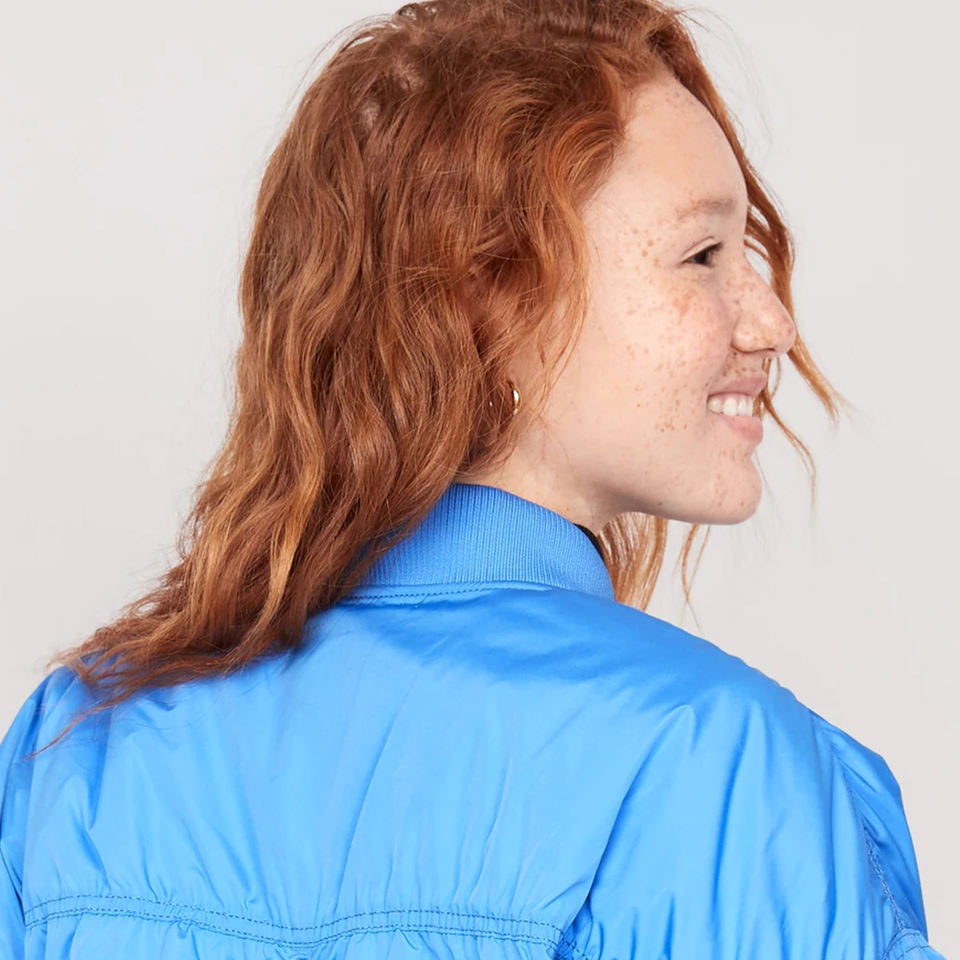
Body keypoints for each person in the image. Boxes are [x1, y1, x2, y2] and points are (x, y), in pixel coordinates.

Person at [0, 0, 946, 957]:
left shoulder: (77, 746)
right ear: (490, 298)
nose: (771, 323)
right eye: (702, 255)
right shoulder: (717, 766)